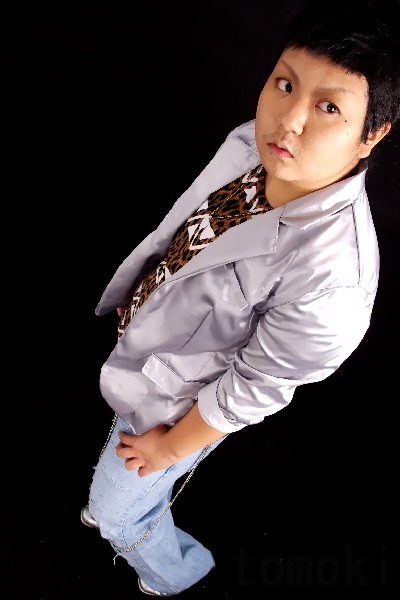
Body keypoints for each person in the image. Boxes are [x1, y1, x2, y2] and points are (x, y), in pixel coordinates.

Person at [80, 0, 400, 595]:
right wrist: (147, 296)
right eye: (285, 84)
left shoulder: (335, 280)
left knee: (121, 507)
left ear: (372, 134)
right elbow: (190, 236)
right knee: (121, 459)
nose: (289, 120)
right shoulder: (254, 149)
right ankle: (119, 501)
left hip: (180, 407)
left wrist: (168, 450)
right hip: (147, 355)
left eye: (329, 107)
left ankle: (171, 569)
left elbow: (255, 390)